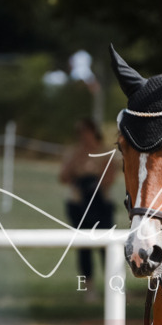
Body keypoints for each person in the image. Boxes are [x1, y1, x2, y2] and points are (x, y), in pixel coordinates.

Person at [59, 117, 116, 299]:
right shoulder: (74, 152)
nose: (82, 136)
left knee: (106, 246)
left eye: (85, 132)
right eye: (79, 133)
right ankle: (88, 288)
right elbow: (63, 177)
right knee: (83, 247)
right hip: (79, 203)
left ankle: (113, 286)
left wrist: (92, 182)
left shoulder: (105, 152)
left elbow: (109, 178)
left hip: (100, 202)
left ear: (93, 132)